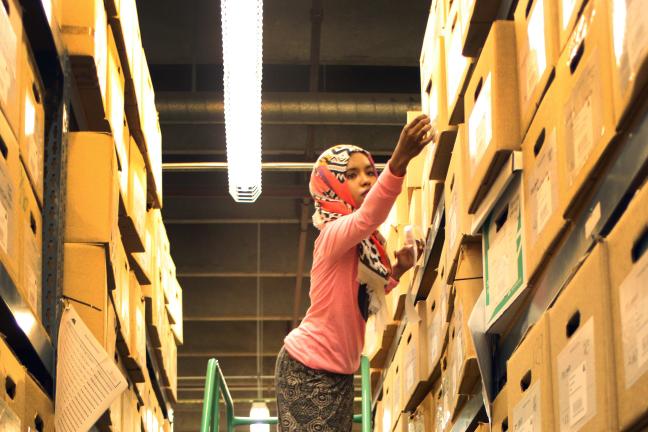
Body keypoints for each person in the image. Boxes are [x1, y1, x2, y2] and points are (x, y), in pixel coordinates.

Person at [274, 114, 434, 431]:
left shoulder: (363, 246)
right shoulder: (333, 236)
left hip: (340, 373)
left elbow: (363, 296)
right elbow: (369, 216)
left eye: (370, 172)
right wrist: (398, 161)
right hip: (307, 368)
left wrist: (399, 268)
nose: (366, 179)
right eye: (351, 174)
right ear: (330, 185)